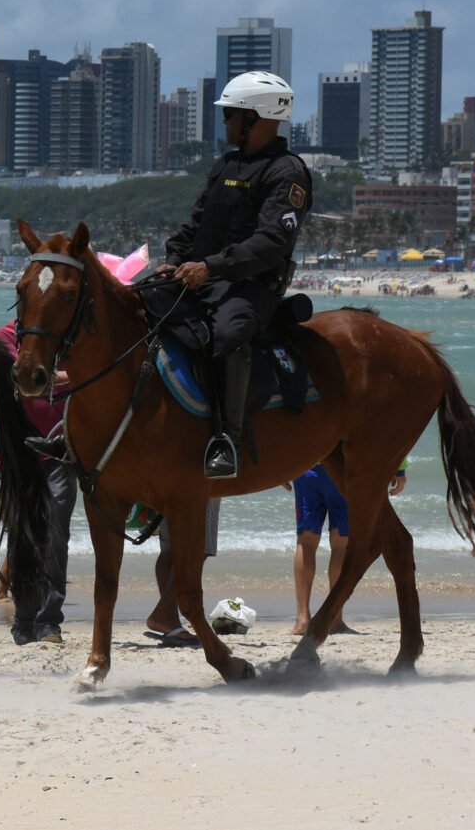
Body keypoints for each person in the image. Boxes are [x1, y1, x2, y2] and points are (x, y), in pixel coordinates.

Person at [154, 70, 311, 479]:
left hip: (250, 287)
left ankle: (227, 440)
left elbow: (270, 242)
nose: (224, 122)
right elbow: (197, 225)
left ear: (255, 117)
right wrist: (174, 257)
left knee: (226, 335)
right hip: (197, 275)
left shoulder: (287, 172)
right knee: (134, 301)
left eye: (230, 115)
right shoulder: (226, 165)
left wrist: (211, 267)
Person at [289, 460, 408, 636]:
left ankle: (302, 619)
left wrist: (283, 468)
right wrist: (398, 468)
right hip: (342, 469)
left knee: (305, 542)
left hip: (306, 466)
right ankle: (334, 619)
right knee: (341, 544)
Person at [8, 364, 76, 646]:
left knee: (56, 538)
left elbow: (89, 369)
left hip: (61, 455)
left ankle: (48, 621)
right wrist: (58, 379)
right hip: (19, 458)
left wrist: (53, 379)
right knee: (21, 541)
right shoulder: (6, 339)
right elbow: (19, 377)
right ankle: (23, 619)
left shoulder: (65, 344)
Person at [146, 500, 222, 646]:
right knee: (199, 547)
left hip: (165, 482)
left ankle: (169, 622)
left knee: (170, 551)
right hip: (198, 482)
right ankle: (163, 615)